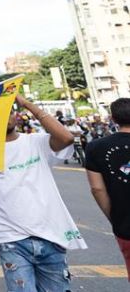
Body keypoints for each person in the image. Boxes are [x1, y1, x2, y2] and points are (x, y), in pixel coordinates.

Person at [0, 95, 86, 291]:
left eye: (8, 112)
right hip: (12, 240)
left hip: (51, 236)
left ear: (16, 115)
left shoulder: (37, 142)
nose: (5, 117)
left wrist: (28, 104)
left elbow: (66, 138)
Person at [85, 97, 130, 280]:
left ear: (112, 118)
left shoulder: (96, 147)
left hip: (125, 222)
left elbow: (97, 189)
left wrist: (114, 215)